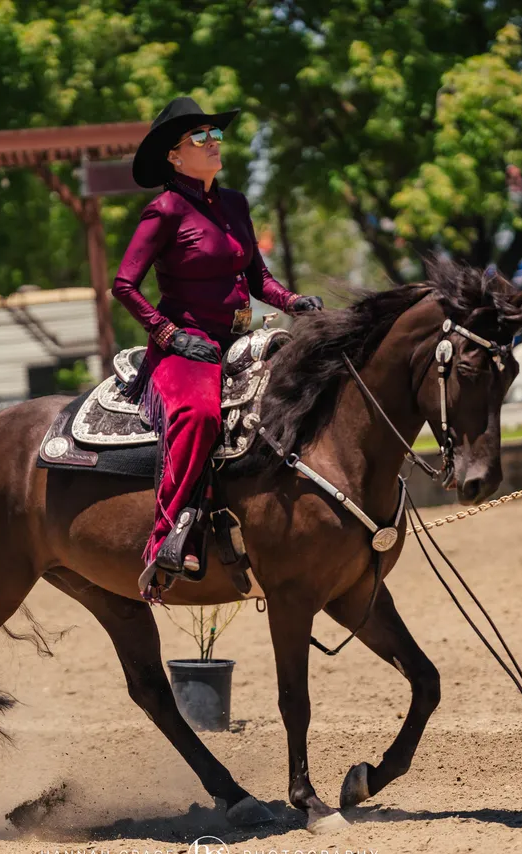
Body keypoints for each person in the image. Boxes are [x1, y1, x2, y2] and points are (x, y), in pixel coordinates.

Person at [112, 96, 322, 596]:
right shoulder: (164, 209)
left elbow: (258, 278)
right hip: (187, 345)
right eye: (200, 138)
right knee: (200, 416)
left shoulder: (235, 205)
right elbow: (124, 285)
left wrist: (294, 301)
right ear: (174, 156)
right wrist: (170, 334)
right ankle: (166, 538)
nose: (213, 144)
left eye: (215, 135)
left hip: (240, 336)